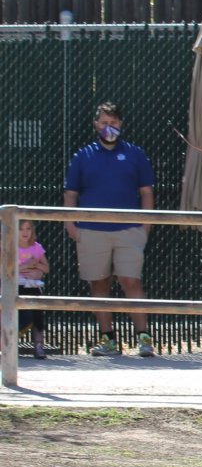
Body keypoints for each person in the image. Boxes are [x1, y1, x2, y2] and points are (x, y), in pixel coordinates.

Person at [62, 101, 156, 357]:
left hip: (129, 230)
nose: (109, 127)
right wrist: (71, 224)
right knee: (99, 284)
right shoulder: (82, 156)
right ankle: (108, 341)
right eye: (104, 122)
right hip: (91, 231)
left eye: (113, 122)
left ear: (120, 124)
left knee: (131, 281)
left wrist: (145, 223)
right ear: (96, 124)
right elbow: (71, 193)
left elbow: (146, 192)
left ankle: (144, 339)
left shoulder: (135, 154)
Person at [16, 218, 49, 359]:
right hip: (15, 286)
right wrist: (25, 266)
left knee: (37, 316)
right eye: (21, 229)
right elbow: (6, 269)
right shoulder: (9, 246)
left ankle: (38, 346)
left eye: (28, 228)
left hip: (32, 286)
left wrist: (36, 265)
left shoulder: (37, 247)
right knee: (20, 316)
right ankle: (8, 344)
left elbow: (46, 268)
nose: (25, 232)